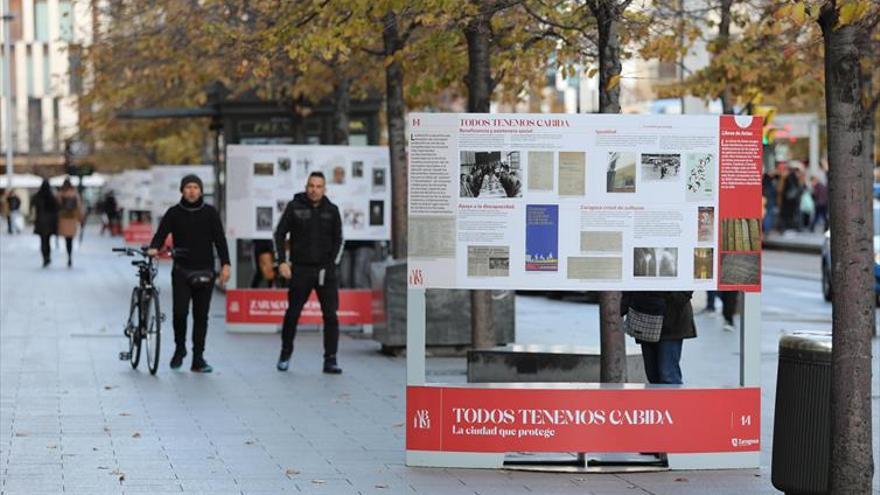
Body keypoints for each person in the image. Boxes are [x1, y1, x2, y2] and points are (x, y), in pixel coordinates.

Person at [148, 174, 230, 373]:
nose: (192, 191)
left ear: (201, 190)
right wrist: (154, 247)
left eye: (195, 187)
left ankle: (198, 357)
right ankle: (180, 348)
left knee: (201, 316)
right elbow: (161, 233)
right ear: (182, 190)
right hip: (182, 271)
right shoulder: (174, 213)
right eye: (188, 187)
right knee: (180, 313)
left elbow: (220, 240)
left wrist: (226, 264)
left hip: (205, 271)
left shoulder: (210, 213)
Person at [274, 171, 344, 374]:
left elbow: (339, 239)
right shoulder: (294, 207)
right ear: (306, 187)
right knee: (293, 314)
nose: (315, 190)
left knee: (330, 316)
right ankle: (285, 354)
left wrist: (331, 265)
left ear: (324, 189)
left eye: (319, 186)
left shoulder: (332, 210)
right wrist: (282, 262)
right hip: (300, 269)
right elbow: (279, 234)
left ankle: (330, 360)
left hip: (325, 271)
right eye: (311, 186)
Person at [623, 291, 696, 384]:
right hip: (645, 314)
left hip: (671, 317)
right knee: (653, 375)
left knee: (668, 375)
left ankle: (674, 398)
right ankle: (662, 398)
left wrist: (679, 296)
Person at [31, 180, 59, 267]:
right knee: (48, 241)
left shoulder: (37, 196)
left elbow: (32, 207)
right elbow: (57, 209)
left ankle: (45, 258)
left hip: (40, 222)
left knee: (43, 241)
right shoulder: (52, 197)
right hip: (50, 223)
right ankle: (48, 256)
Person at [56, 179, 83, 268]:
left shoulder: (60, 194)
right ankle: (70, 256)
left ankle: (69, 255)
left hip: (63, 218)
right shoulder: (75, 194)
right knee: (70, 239)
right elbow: (79, 207)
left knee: (66, 239)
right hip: (72, 219)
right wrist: (80, 219)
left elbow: (57, 205)